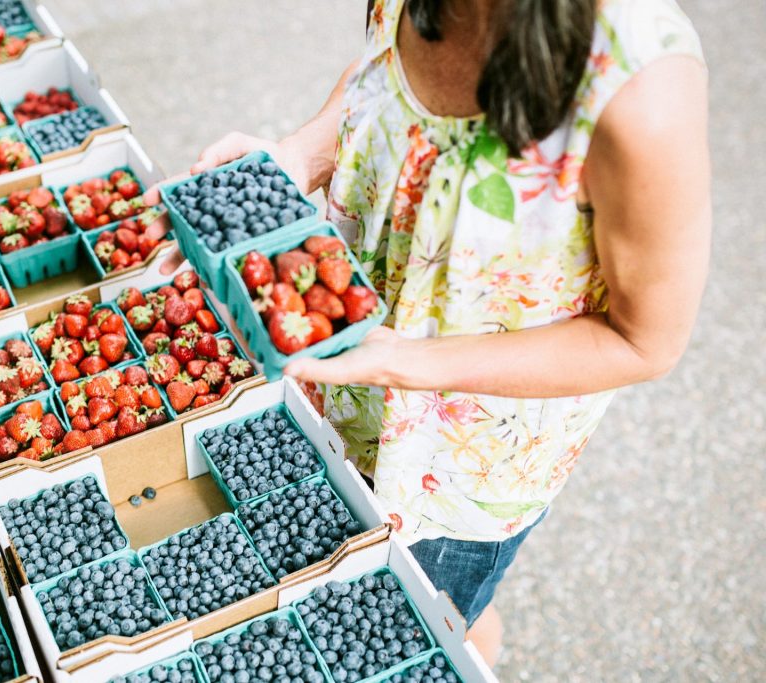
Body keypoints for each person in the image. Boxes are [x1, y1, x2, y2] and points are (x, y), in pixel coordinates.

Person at [147, 0, 710, 667]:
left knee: (427, 602)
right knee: (446, 606)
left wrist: (406, 361)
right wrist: (301, 154)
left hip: (456, 469)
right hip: (347, 383)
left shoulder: (639, 90)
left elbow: (646, 341)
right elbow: (382, 78)